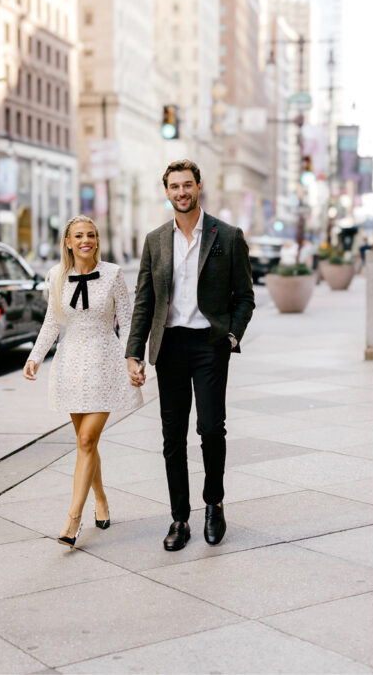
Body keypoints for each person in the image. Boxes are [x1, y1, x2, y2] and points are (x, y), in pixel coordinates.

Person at [126, 159, 255, 551]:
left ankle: (213, 504)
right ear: (166, 192)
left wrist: (231, 336)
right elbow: (144, 301)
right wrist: (134, 352)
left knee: (212, 429)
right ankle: (179, 519)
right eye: (174, 186)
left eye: (187, 185)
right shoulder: (155, 240)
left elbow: (245, 298)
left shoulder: (227, 236)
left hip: (209, 345)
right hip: (170, 347)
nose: (181, 192)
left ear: (199, 187)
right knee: (173, 436)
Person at [24, 215, 142, 548]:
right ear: (68, 242)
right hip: (71, 364)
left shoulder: (114, 274)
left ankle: (72, 519)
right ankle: (101, 500)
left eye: (91, 235)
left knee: (88, 440)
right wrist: (34, 357)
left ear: (97, 240)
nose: (85, 240)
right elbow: (51, 323)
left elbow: (130, 322)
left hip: (105, 361)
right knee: (84, 443)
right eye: (78, 235)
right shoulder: (56, 276)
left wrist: (134, 359)